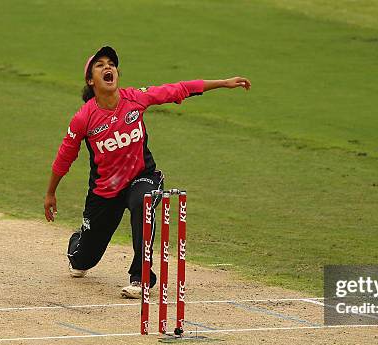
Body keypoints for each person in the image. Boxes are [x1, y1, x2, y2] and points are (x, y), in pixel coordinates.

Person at [44, 46, 251, 298]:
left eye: (111, 63)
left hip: (141, 177)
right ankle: (78, 247)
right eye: (100, 65)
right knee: (83, 261)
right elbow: (65, 156)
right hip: (105, 191)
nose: (108, 67)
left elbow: (178, 88)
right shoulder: (84, 118)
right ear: (90, 80)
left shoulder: (135, 98)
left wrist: (223, 83)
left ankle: (141, 278)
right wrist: (50, 193)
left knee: (144, 202)